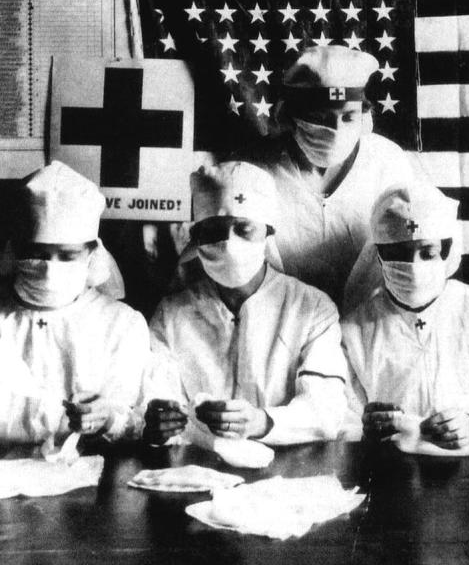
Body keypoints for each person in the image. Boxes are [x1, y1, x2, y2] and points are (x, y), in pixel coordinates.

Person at [145, 162, 348, 446]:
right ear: (196, 236)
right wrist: (155, 420)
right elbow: (153, 397)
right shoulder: (171, 314)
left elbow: (326, 410)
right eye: (215, 230)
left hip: (287, 472)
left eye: (244, 229)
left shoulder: (311, 309)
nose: (229, 244)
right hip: (199, 467)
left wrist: (263, 422)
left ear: (267, 233)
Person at [341, 182, 469, 448]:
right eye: (399, 255)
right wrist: (364, 428)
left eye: (428, 253)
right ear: (379, 255)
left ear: (447, 252)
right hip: (391, 468)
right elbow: (343, 417)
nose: (414, 268)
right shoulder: (354, 329)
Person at [257, 45, 416, 311]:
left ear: (364, 116)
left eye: (348, 116)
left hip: (368, 323)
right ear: (289, 114)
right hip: (281, 320)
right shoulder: (257, 167)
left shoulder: (387, 162)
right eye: (320, 117)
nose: (336, 130)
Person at [0, 161, 150, 444]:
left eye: (67, 255)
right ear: (14, 249)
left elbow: (135, 422)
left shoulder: (120, 323)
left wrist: (106, 418)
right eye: (37, 254)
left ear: (92, 254)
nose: (49, 268)